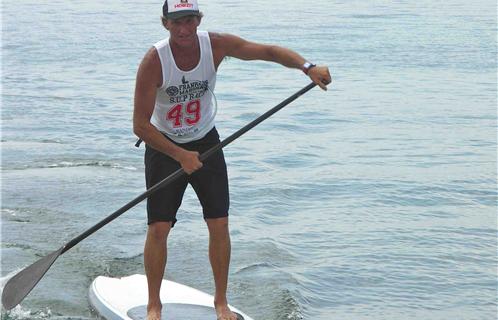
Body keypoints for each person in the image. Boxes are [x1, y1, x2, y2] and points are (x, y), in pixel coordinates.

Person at [133, 1, 331, 319]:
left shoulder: (216, 45)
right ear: (164, 24)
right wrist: (180, 155)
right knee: (158, 228)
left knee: (219, 223)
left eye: (189, 21)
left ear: (198, 20)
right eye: (176, 22)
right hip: (164, 146)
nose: (184, 29)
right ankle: (154, 305)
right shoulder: (154, 61)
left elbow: (267, 51)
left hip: (207, 143)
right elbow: (140, 126)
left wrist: (307, 67)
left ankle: (221, 303)